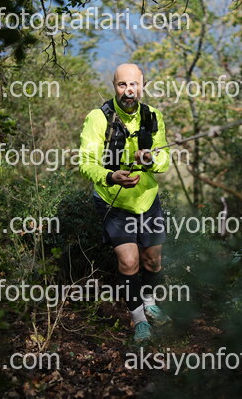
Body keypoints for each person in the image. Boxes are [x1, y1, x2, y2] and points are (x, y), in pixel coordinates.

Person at [79, 63, 171, 343]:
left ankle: (149, 301)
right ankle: (139, 319)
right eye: (122, 84)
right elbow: (86, 162)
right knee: (129, 262)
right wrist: (110, 177)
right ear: (114, 87)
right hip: (113, 200)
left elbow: (165, 160)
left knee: (153, 260)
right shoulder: (98, 118)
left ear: (142, 86)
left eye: (134, 84)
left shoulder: (153, 116)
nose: (128, 90)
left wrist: (151, 160)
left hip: (147, 198)